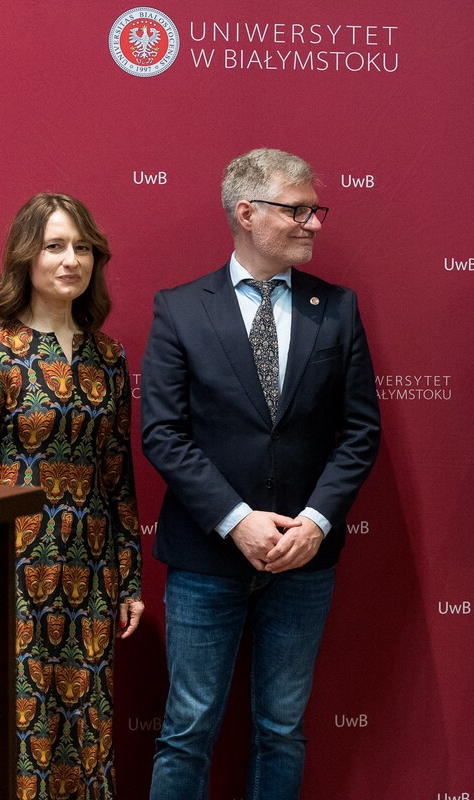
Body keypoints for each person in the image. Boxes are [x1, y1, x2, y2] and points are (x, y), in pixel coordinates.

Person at [141, 148, 381, 800]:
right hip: (205, 557)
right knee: (188, 729)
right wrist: (236, 520)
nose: (314, 223)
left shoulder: (337, 308)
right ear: (246, 213)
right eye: (297, 210)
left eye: (316, 210)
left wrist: (317, 522)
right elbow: (162, 434)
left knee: (281, 729)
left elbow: (361, 432)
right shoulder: (181, 309)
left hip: (305, 559)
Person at [0, 193, 143, 800]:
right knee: (21, 723)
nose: (71, 260)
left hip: (92, 573)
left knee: (88, 724)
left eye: (82, 248)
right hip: (15, 573)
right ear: (25, 258)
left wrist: (129, 578)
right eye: (55, 246)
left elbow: (118, 476)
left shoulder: (109, 357)